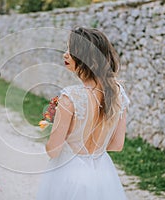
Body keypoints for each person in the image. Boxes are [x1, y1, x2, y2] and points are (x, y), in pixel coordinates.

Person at [36, 27, 130, 199]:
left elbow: (53, 151)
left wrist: (56, 125)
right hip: (103, 175)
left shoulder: (70, 97)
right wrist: (95, 149)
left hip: (69, 176)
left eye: (71, 50)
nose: (65, 54)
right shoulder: (118, 93)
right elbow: (117, 145)